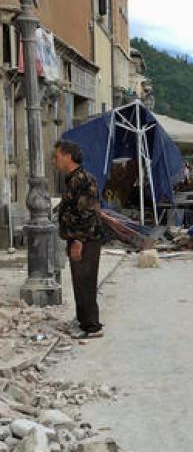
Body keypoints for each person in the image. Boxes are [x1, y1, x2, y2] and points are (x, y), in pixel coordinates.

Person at [54, 140, 104, 340]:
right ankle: (84, 321)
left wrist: (78, 241)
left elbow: (87, 213)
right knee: (79, 280)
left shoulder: (83, 179)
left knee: (85, 281)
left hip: (86, 239)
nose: (54, 160)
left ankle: (92, 326)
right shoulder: (73, 179)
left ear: (68, 156)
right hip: (79, 237)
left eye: (57, 156)